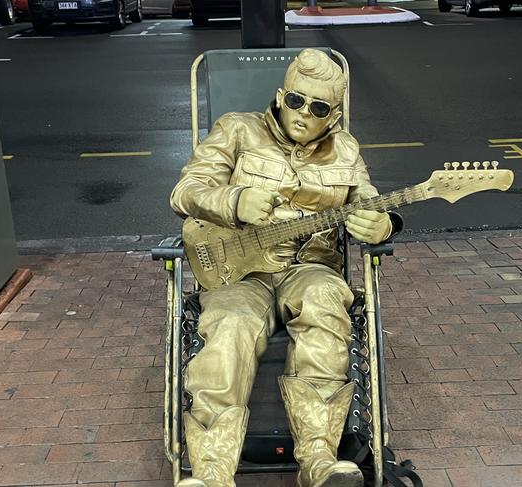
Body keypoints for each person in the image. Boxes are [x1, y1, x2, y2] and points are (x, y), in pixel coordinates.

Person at [170, 48, 402, 487]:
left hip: (309, 268)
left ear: (332, 115)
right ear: (280, 95)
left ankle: (318, 459)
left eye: (317, 108)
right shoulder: (237, 129)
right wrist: (234, 201)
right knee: (230, 324)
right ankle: (212, 473)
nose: (303, 113)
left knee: (325, 299)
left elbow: (368, 200)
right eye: (296, 100)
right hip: (240, 272)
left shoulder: (346, 150)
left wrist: (381, 222)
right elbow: (187, 190)